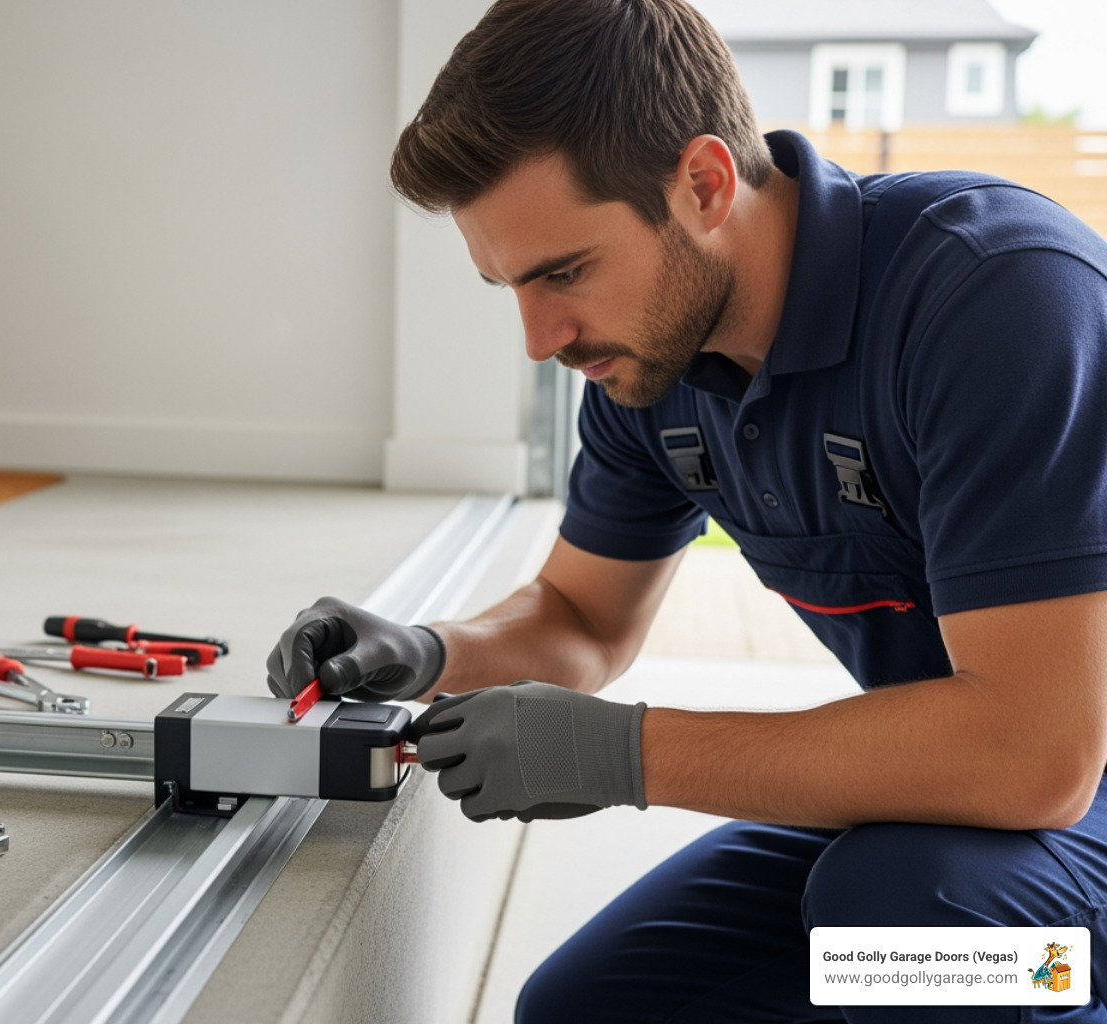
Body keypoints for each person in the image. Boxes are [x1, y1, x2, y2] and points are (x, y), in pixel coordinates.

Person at [264, 0, 1107, 1020]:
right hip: (959, 800)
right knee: (590, 1010)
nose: (540, 338)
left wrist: (619, 754)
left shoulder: (994, 297)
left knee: (898, 932)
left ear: (704, 184)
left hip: (1044, 785)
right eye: (509, 286)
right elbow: (583, 619)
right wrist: (428, 650)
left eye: (564, 271)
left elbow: (1034, 754)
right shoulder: (655, 369)